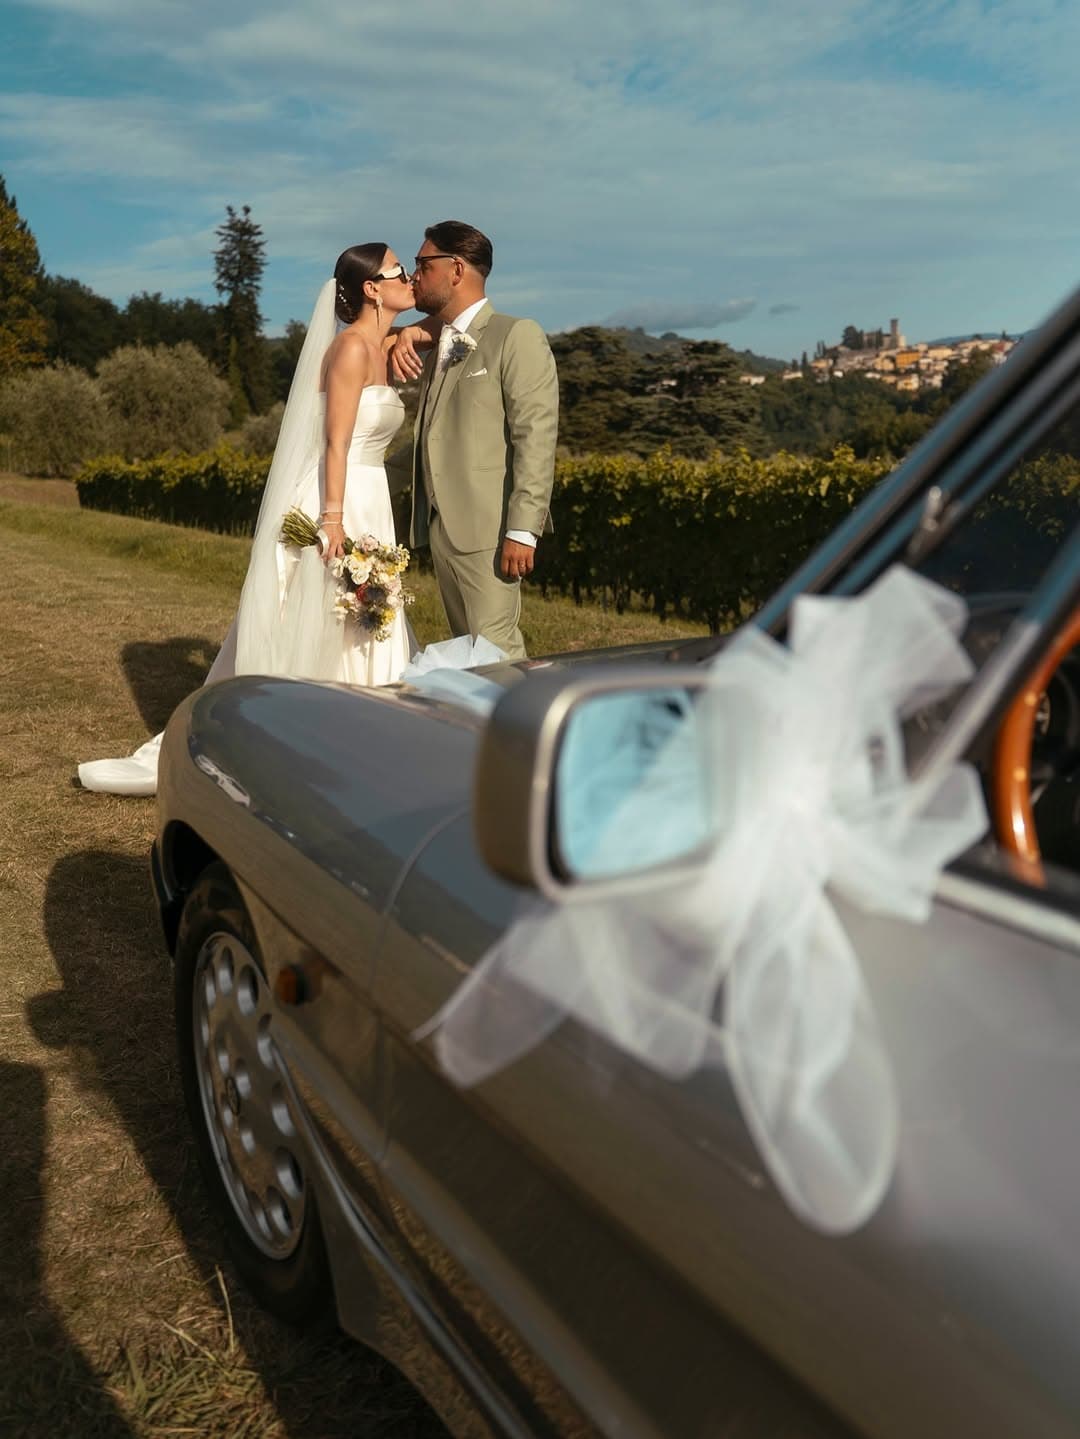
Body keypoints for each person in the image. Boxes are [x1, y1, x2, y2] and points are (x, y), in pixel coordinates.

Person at [78, 243, 423, 796]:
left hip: (370, 495)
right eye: (399, 271)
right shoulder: (351, 350)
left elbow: (442, 325)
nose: (410, 278)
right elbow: (335, 443)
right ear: (371, 288)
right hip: (338, 497)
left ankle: (370, 735)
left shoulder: (381, 344)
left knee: (363, 615)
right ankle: (306, 741)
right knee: (324, 616)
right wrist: (333, 520)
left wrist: (406, 335)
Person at [389, 221, 559, 662]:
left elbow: (535, 436)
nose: (414, 276)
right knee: (469, 656)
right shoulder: (444, 342)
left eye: (423, 264)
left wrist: (523, 529)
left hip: (491, 532)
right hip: (444, 531)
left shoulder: (515, 334)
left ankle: (525, 711)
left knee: (496, 654)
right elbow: (433, 436)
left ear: (457, 269)